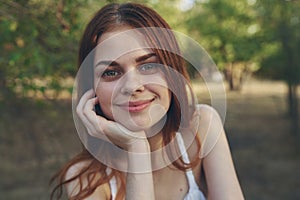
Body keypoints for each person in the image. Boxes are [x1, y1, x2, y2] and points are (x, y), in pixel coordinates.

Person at [51, 2, 244, 200]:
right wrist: (136, 148)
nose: (132, 86)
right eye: (111, 72)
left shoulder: (202, 127)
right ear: (90, 89)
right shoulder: (85, 178)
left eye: (148, 66)